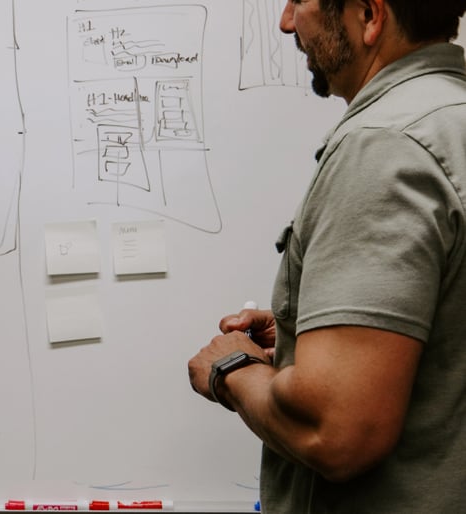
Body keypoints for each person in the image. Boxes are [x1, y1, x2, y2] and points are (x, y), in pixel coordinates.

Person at [188, 0, 466, 512]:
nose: (286, 20)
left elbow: (336, 430)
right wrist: (306, 333)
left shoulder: (384, 147)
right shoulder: (451, 119)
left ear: (369, 15)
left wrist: (229, 368)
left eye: (300, 1)